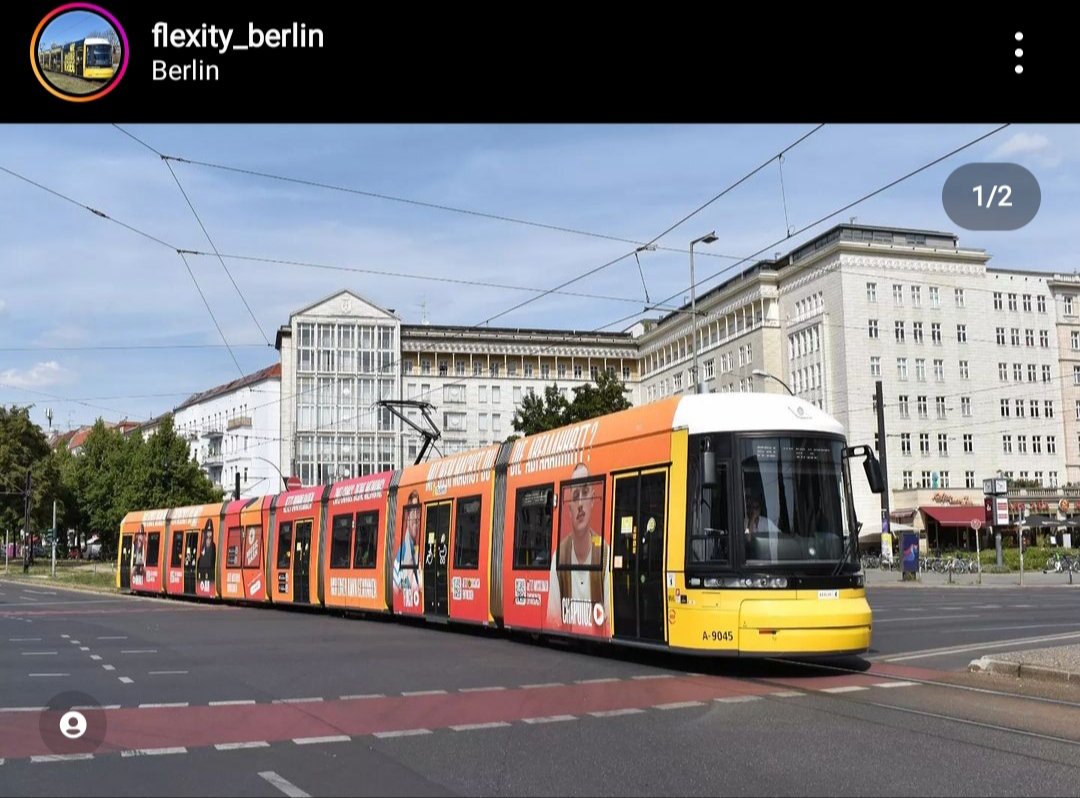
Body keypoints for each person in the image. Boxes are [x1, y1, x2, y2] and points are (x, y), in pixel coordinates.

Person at [547, 463, 604, 628]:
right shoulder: (558, 557)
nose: (580, 503)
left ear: (593, 499)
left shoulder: (606, 554)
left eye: (585, 493)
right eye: (575, 495)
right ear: (569, 508)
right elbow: (553, 620)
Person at [393, 490, 422, 601]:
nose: (415, 516)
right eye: (413, 511)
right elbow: (402, 583)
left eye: (417, 511)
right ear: (407, 515)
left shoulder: (415, 549)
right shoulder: (404, 551)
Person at [744, 491, 781, 560]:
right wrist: (752, 519)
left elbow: (779, 536)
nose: (755, 510)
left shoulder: (766, 522)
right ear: (748, 509)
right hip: (751, 560)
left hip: (767, 559)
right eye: (752, 507)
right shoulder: (744, 522)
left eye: (757, 507)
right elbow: (747, 538)